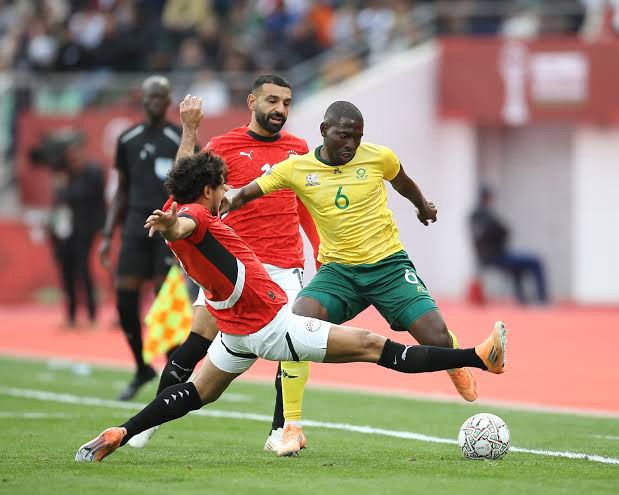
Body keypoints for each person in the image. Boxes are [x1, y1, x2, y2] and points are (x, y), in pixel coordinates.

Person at [74, 151, 507, 463]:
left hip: (234, 331)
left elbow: (180, 220)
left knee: (195, 393)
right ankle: (477, 357)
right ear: (208, 190)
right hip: (270, 327)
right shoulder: (197, 217)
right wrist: (174, 226)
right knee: (376, 346)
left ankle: (121, 431)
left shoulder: (183, 209)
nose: (227, 192)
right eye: (222, 186)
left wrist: (173, 214)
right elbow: (186, 225)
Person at [227, 101, 482, 428]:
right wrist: (216, 206)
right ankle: (290, 427)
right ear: (324, 130)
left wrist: (422, 206)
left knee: (437, 339)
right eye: (344, 136)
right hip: (339, 273)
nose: (351, 144)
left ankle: (454, 362)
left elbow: (402, 182)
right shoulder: (296, 168)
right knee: (298, 322)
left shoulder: (379, 157)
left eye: (357, 137)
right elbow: (244, 194)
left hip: (388, 267)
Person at [128, 74, 321, 456]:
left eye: (286, 102)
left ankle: (280, 431)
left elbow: (303, 206)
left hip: (284, 266)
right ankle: (148, 424)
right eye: (272, 101)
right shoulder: (223, 146)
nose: (280, 109)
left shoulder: (298, 149)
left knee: (294, 349)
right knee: (195, 344)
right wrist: (189, 130)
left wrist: (320, 249)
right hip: (233, 267)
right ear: (251, 102)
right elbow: (183, 188)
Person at [99, 75, 185, 401]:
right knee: (124, 301)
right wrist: (108, 234)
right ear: (142, 99)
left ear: (168, 101)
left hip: (167, 229)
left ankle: (172, 371)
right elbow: (121, 190)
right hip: (135, 227)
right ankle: (140, 366)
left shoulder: (179, 138)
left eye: (160, 97)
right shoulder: (128, 139)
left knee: (165, 302)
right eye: (149, 97)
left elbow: (191, 189)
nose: (154, 102)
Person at [48, 131, 105, 328]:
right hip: (65, 232)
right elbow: (59, 202)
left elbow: (83, 195)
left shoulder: (93, 173)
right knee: (66, 271)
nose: (73, 158)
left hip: (86, 229)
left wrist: (64, 188)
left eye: (76, 153)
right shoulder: (65, 174)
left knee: (83, 269)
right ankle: (71, 316)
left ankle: (91, 315)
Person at [470, 185, 548, 304]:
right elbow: (504, 231)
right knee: (536, 261)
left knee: (518, 266)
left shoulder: (473, 217)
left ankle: (521, 299)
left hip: (486, 258)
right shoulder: (487, 216)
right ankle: (543, 299)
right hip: (497, 257)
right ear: (487, 197)